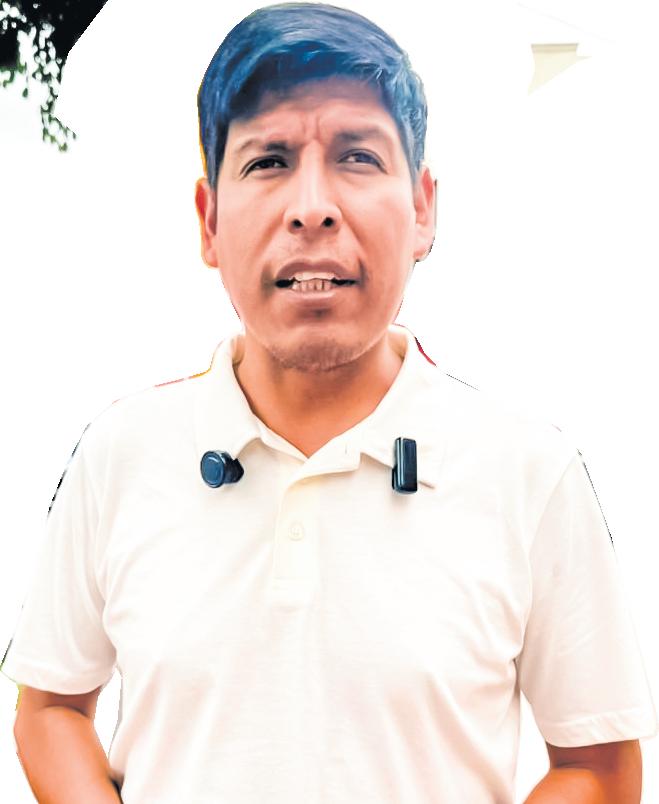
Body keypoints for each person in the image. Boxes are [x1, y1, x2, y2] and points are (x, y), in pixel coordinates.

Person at [2, 3, 657, 802]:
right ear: (209, 222)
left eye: (356, 156)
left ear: (421, 209)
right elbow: (49, 707)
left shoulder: (530, 474)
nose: (311, 207)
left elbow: (596, 764)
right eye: (268, 160)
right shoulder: (120, 454)